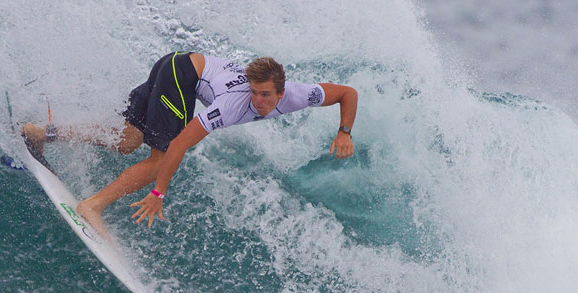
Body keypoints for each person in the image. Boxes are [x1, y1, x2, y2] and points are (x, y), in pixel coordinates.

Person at [23, 52, 357, 236]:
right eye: (254, 92)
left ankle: (40, 133)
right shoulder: (232, 105)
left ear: (282, 93)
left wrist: (344, 131)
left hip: (173, 63)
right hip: (179, 75)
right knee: (160, 158)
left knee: (127, 141)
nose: (257, 100)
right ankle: (91, 206)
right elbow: (180, 145)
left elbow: (347, 93)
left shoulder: (301, 94)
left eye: (265, 94)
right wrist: (158, 194)